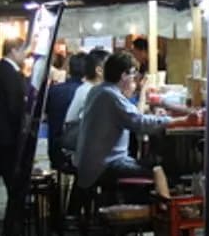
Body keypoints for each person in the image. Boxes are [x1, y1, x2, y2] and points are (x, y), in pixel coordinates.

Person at [75, 51, 187, 190]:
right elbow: (139, 122)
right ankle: (154, 208)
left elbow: (133, 116)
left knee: (153, 166)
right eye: (133, 76)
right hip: (104, 165)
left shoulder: (99, 90)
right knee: (163, 175)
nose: (134, 80)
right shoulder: (110, 96)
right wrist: (180, 120)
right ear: (124, 76)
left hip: (93, 163)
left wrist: (162, 118)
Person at [0, 38, 28, 236]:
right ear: (14, 50)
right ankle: (12, 227)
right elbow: (15, 108)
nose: (25, 56)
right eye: (23, 51)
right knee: (15, 184)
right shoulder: (11, 75)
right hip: (8, 138)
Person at [45, 51, 87, 171]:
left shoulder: (53, 91)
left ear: (68, 69)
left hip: (55, 152)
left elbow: (46, 115)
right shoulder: (90, 92)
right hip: (80, 154)